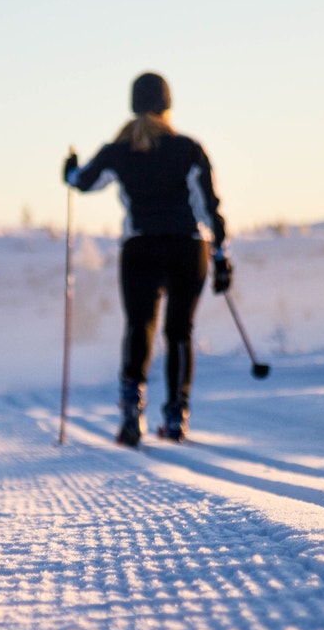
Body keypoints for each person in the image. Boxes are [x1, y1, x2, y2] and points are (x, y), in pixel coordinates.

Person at [63, 72, 231, 446]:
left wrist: (70, 168)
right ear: (167, 105)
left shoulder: (118, 151)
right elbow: (209, 206)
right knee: (180, 331)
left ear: (134, 105)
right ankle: (176, 417)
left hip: (140, 247)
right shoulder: (188, 149)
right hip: (189, 247)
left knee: (140, 327)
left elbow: (82, 181)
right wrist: (221, 257)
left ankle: (131, 415)